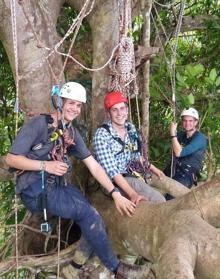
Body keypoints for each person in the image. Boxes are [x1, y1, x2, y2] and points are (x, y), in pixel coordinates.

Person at [6, 82, 142, 278]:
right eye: (71, 103)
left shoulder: (70, 132)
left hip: (57, 186)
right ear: (60, 102)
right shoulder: (40, 124)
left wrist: (115, 193)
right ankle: (117, 269)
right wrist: (46, 166)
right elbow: (12, 158)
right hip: (34, 190)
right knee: (89, 215)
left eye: (79, 105)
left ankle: (75, 267)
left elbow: (93, 165)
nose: (75, 109)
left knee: (93, 214)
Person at [93, 91, 166, 204]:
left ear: (127, 110)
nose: (119, 113)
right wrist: (133, 194)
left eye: (122, 108)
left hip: (132, 172)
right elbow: (112, 171)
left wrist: (153, 168)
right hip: (113, 181)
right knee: (159, 200)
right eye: (114, 110)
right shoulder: (102, 135)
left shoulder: (130, 128)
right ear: (108, 114)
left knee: (163, 183)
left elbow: (136, 155)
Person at [164, 107, 208, 190]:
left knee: (170, 198)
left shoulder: (200, 138)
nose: (187, 123)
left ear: (196, 122)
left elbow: (179, 153)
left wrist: (173, 134)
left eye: (190, 121)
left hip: (186, 174)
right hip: (172, 169)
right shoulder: (181, 135)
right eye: (185, 120)